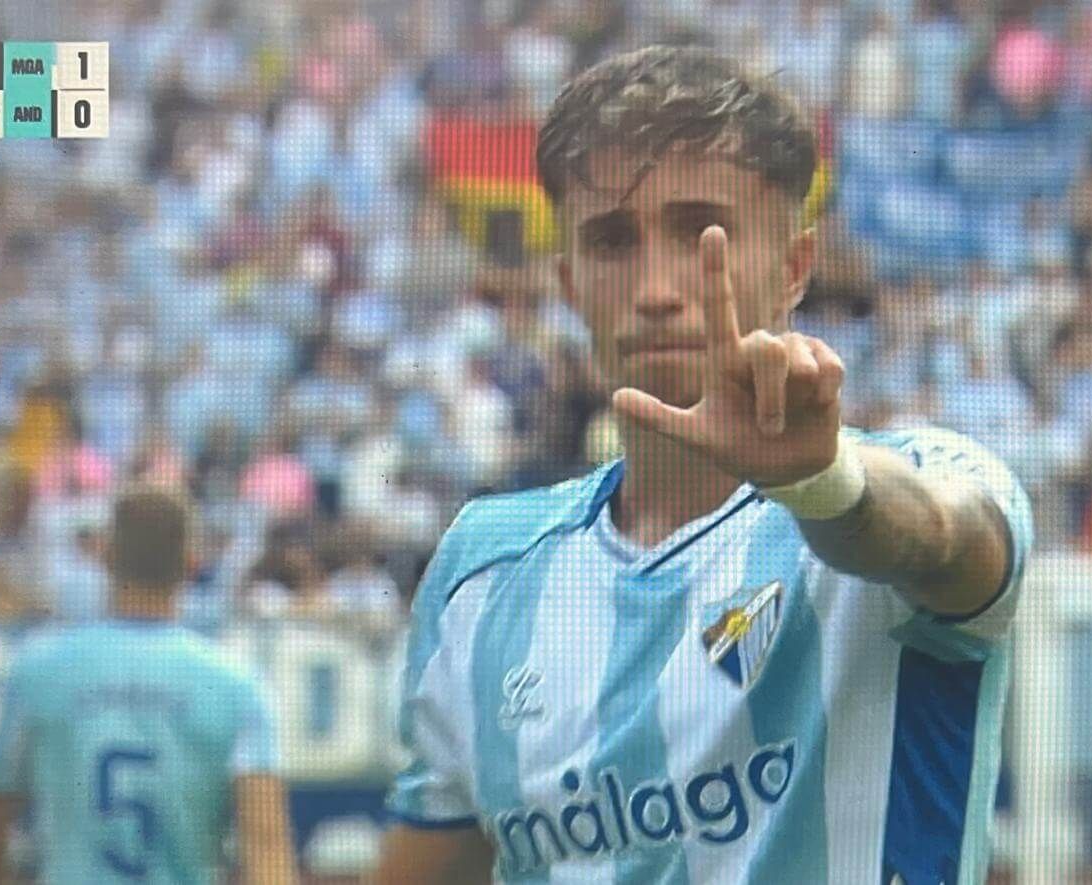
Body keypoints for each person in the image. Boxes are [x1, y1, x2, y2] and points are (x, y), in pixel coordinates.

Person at [374, 45, 1033, 885]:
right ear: (570, 284)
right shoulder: (484, 568)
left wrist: (823, 485)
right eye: (613, 241)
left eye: (702, 233)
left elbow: (945, 541)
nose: (655, 286)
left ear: (794, 267)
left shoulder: (923, 473)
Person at [0, 485, 298, 884]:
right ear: (190, 565)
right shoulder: (237, 685)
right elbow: (265, 845)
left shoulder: (39, 670)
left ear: (106, 558)